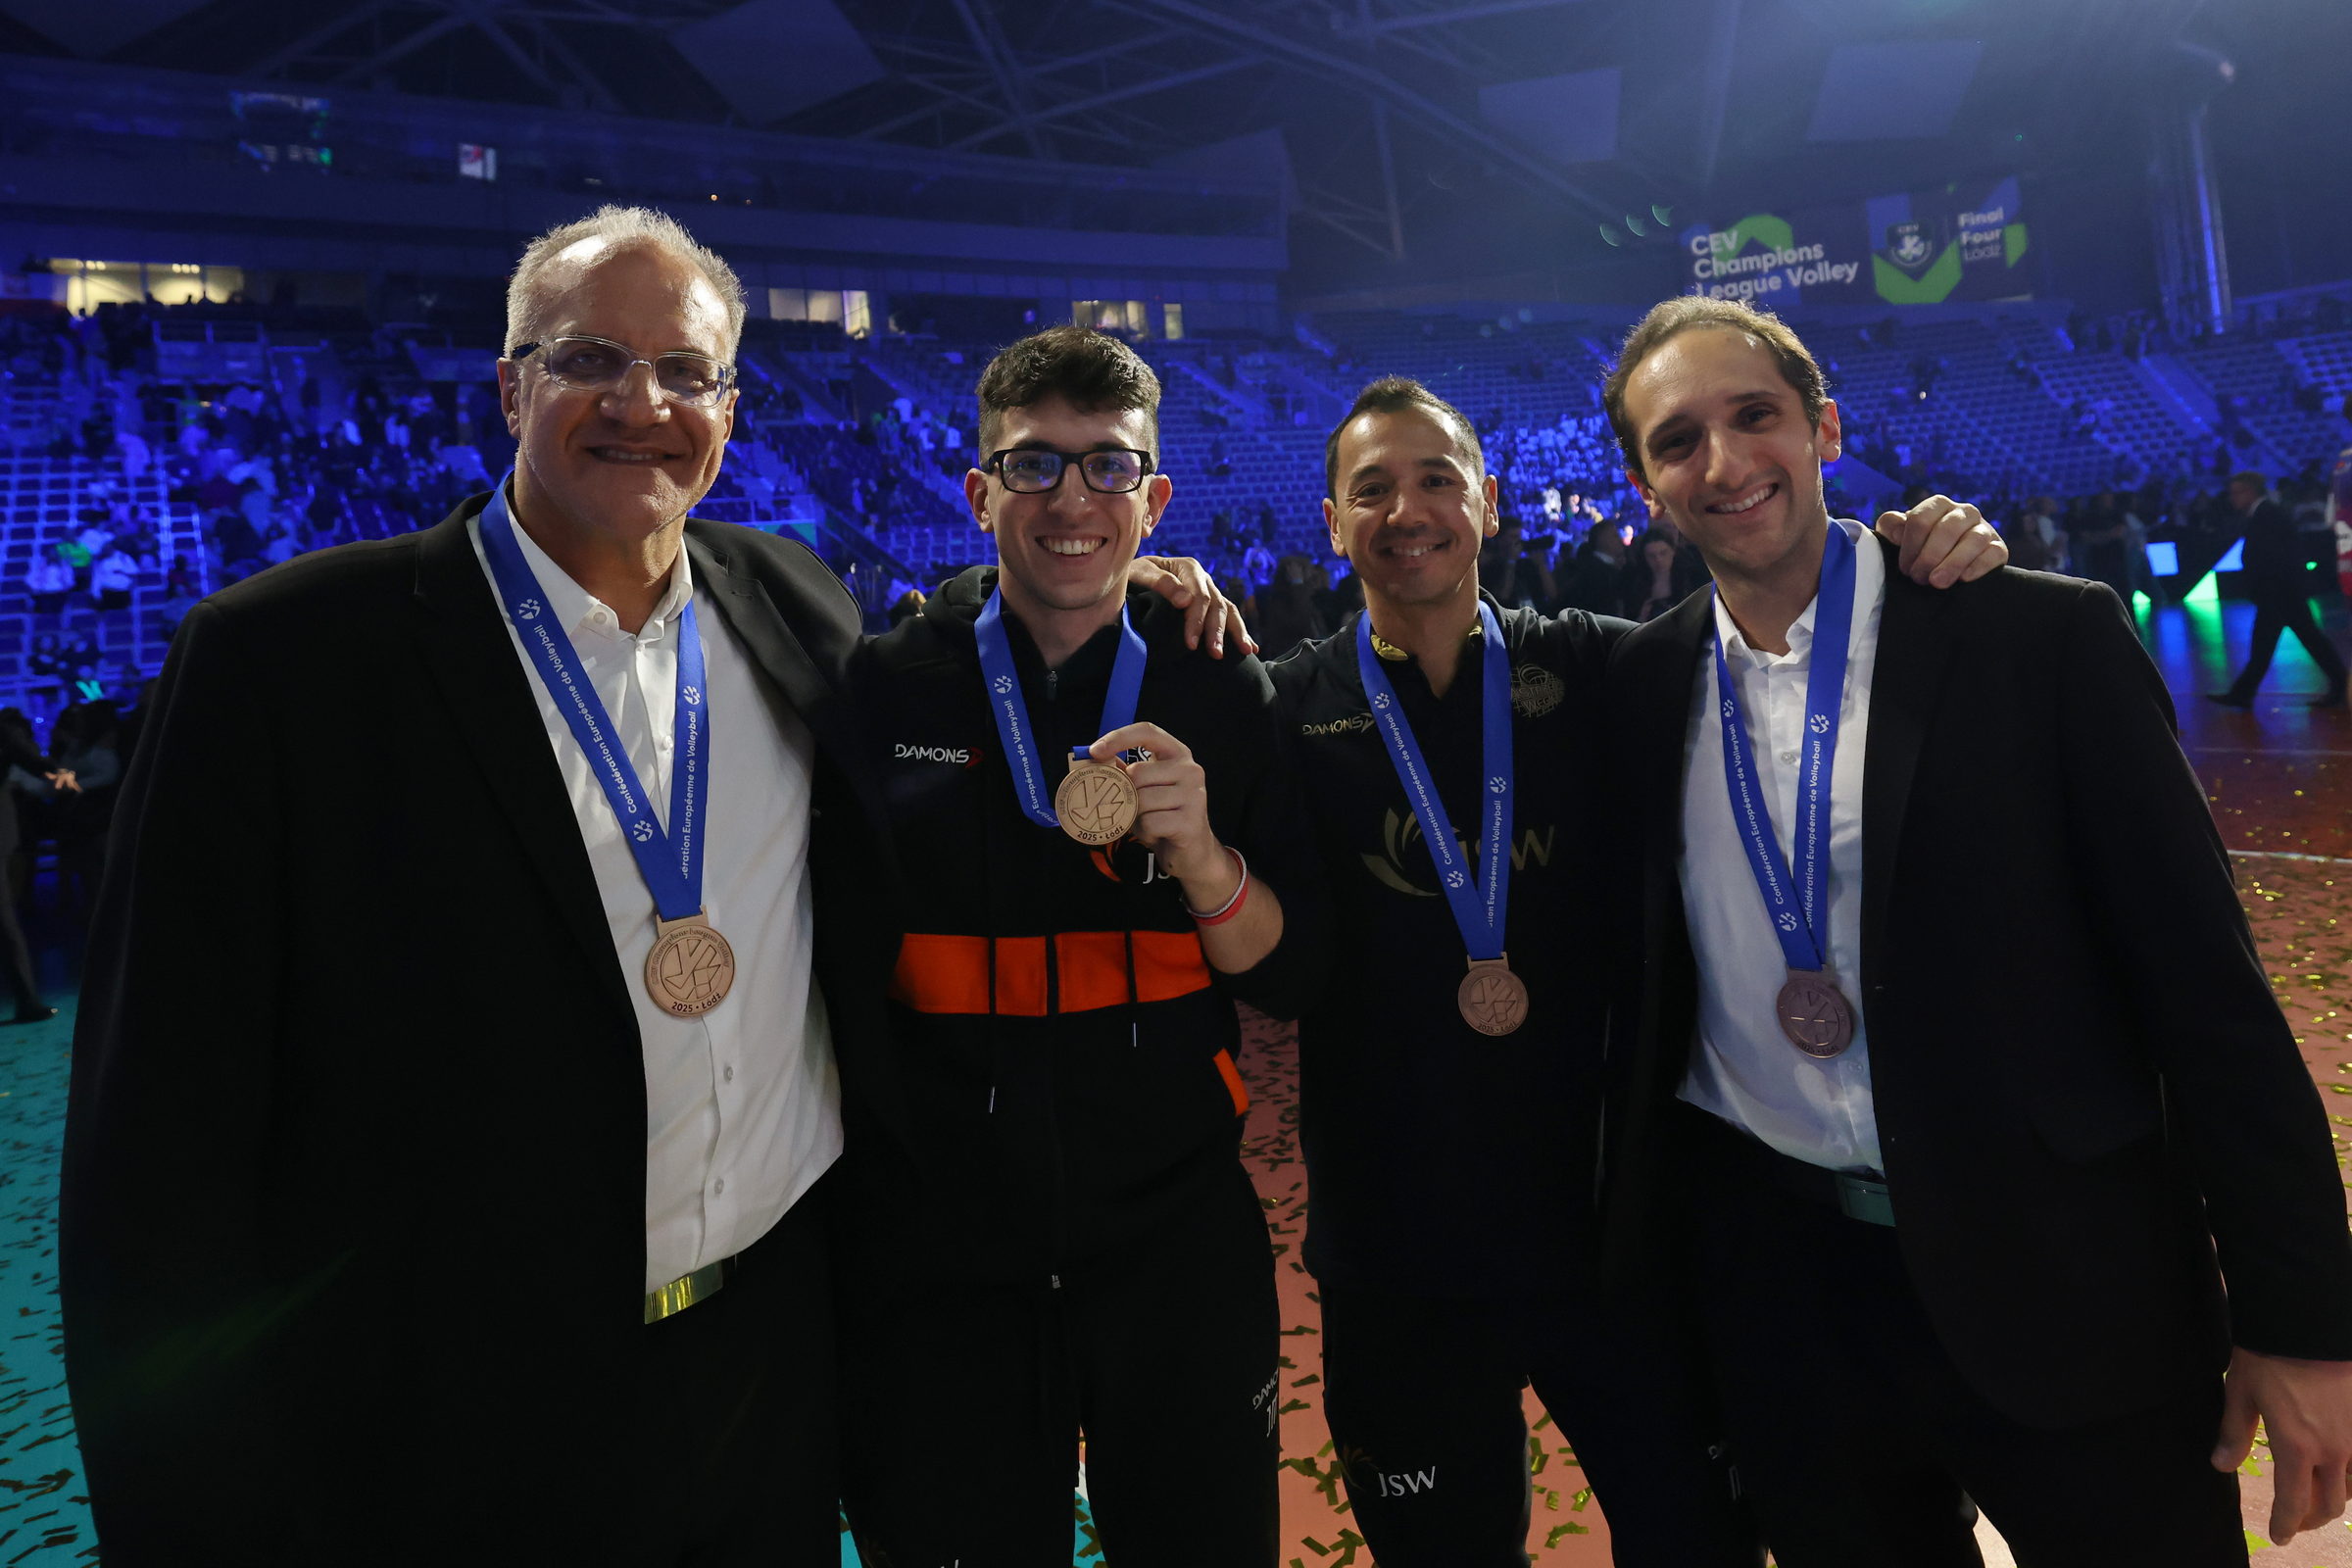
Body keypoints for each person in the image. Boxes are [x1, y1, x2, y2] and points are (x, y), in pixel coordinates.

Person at [61, 205, 910, 1565]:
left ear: (729, 412)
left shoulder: (796, 602)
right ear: (510, 388)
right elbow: (157, 1147)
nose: (642, 404)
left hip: (771, 1368)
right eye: (590, 359)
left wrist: (1138, 593)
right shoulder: (281, 664)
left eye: (685, 372)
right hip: (454, 1404)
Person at [1599, 294, 2352, 1565]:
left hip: (2066, 1276)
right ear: (1644, 482)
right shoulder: (1636, 684)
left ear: (1825, 428)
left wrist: (2304, 1322)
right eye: (1678, 440)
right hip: (1790, 1308)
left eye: (1754, 416)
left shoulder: (2034, 636)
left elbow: (2207, 996)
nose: (1723, 462)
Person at [1270, 374, 2002, 1566]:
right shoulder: (1281, 707)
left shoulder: (1608, 670)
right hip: (1398, 1252)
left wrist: (1916, 548)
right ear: (1331, 520)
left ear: (1488, 503)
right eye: (1372, 488)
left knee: (1694, 1542)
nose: (1407, 510)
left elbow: (1789, 620)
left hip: (1617, 1234)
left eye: (1437, 479)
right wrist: (1163, 582)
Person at [836, 326, 1321, 1566]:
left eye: (1109, 466)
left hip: (1177, 1238)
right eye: (1034, 464)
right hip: (945, 1253)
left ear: (1154, 499)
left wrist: (1205, 858)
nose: (1071, 499)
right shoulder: (883, 689)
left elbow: (1285, 974)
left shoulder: (1220, 685)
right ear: (978, 490)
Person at [2210, 469, 2349, 709]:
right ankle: (2243, 693)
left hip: (2279, 593)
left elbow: (2275, 556)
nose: (2232, 498)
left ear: (2250, 491)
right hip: (2281, 592)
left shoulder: (2267, 514)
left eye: (2236, 493)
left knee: (2285, 643)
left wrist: (2266, 589)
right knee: (2297, 641)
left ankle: (2242, 693)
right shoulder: (2266, 513)